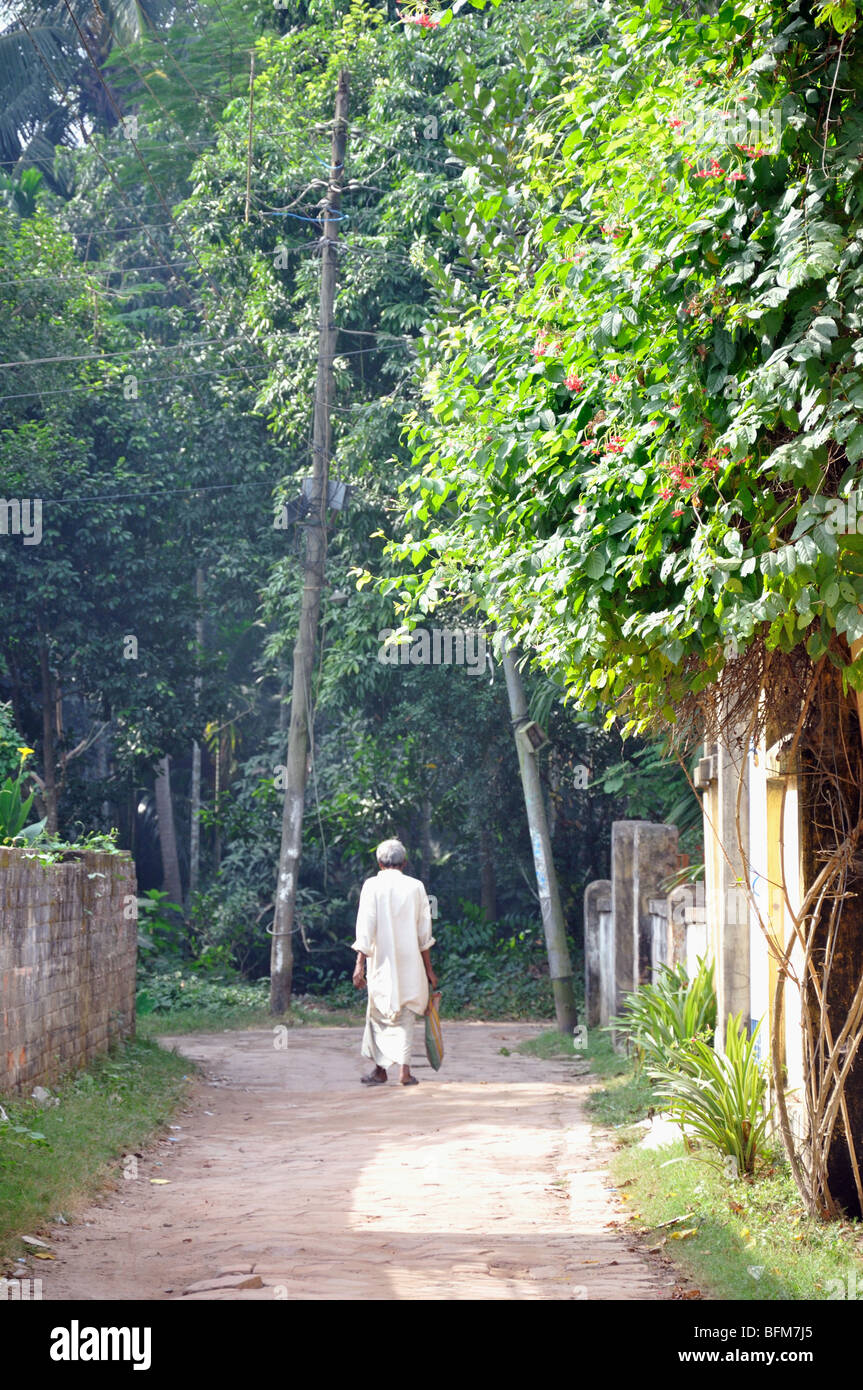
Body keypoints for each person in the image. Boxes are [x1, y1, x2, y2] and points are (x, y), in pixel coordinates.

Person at [351, 838, 438, 1086]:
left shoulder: (371, 886)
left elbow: (365, 929)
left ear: (379, 863)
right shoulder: (416, 887)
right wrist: (429, 970)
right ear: (405, 862)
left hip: (382, 964)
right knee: (407, 1014)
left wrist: (359, 964)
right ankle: (404, 1072)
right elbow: (425, 933)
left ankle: (380, 1070)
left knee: (379, 1014)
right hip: (411, 964)